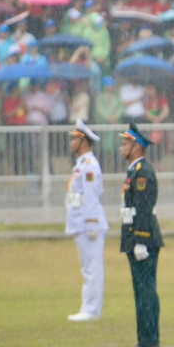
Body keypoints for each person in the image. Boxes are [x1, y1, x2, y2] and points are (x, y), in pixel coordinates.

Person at [119, 122, 163, 347]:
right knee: (141, 290)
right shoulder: (134, 171)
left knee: (146, 291)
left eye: (125, 143)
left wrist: (140, 240)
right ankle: (145, 339)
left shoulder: (143, 172)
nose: (121, 147)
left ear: (136, 146)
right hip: (135, 237)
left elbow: (145, 208)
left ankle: (149, 341)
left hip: (142, 239)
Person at [65, 119, 106, 322]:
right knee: (87, 267)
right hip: (80, 221)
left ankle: (91, 309)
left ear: (84, 141)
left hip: (89, 222)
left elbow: (91, 194)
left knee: (92, 268)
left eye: (74, 138)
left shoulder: (89, 165)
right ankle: (88, 307)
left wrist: (91, 223)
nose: (71, 142)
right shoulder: (81, 164)